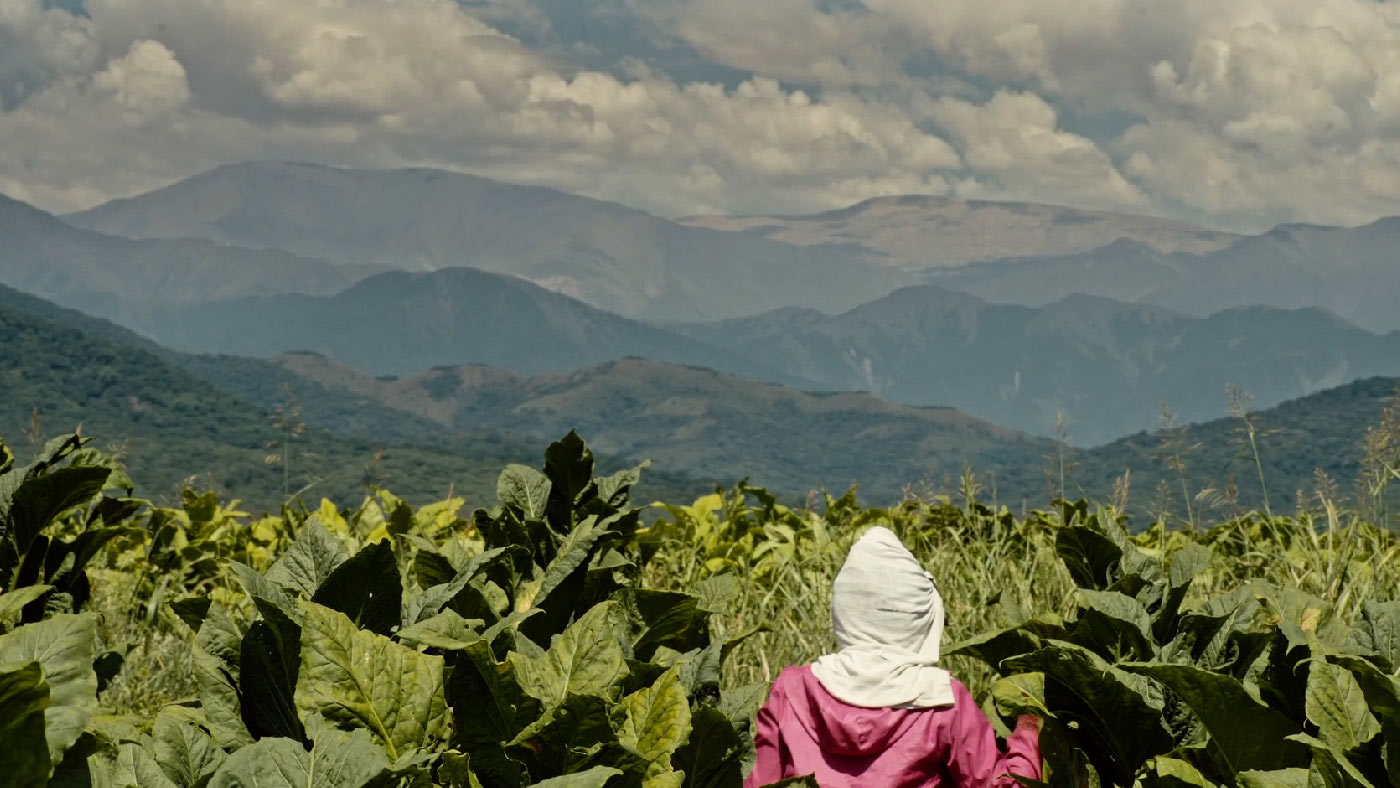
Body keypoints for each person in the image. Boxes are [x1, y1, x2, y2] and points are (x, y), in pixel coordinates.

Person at [744, 526, 1042, 788]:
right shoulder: (941, 699)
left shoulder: (791, 690)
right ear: (918, 616)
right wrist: (1028, 727)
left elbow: (761, 783)